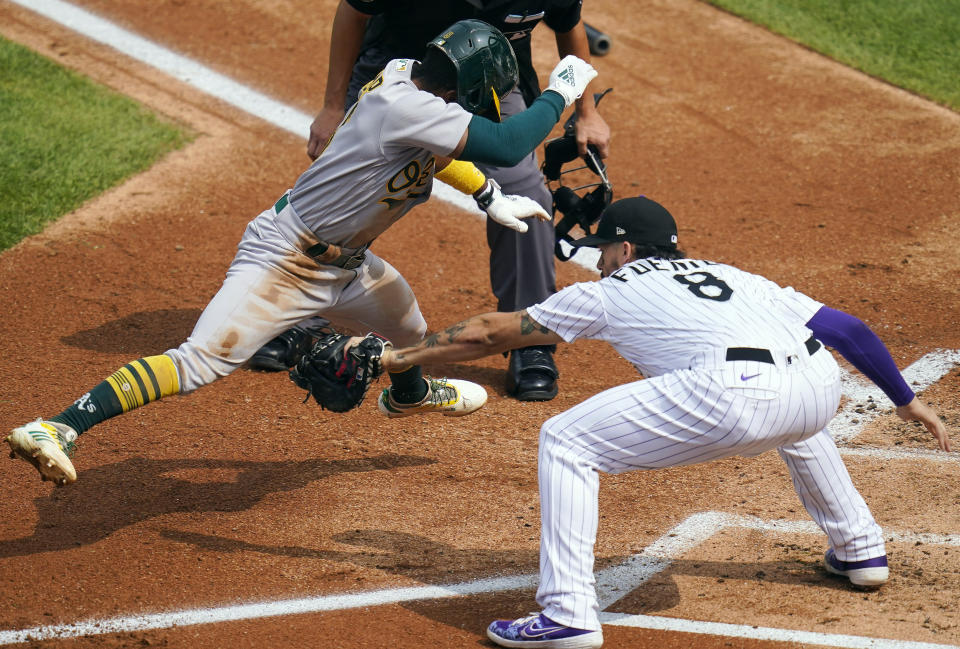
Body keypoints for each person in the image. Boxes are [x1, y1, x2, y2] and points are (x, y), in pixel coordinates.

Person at [4, 20, 599, 487]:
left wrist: (488, 194)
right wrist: (559, 95)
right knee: (199, 363)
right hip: (285, 259)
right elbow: (508, 140)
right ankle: (58, 425)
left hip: (348, 265)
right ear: (462, 86)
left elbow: (437, 154)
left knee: (408, 325)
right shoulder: (406, 104)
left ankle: (411, 395)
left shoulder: (407, 86)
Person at [371, 196, 951, 648]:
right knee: (797, 414)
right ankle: (860, 548)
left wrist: (398, 357)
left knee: (566, 440)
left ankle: (567, 613)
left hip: (733, 394)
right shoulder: (733, 275)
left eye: (603, 250)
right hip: (821, 387)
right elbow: (848, 330)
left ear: (625, 251)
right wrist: (903, 399)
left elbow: (489, 333)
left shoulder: (608, 291)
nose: (599, 261)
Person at [251, 0, 612, 403]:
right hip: (402, 72)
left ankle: (530, 340)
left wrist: (587, 111)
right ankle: (302, 315)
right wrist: (335, 105)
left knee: (525, 189)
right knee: (359, 187)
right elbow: (354, 11)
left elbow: (570, 25)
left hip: (492, 84)